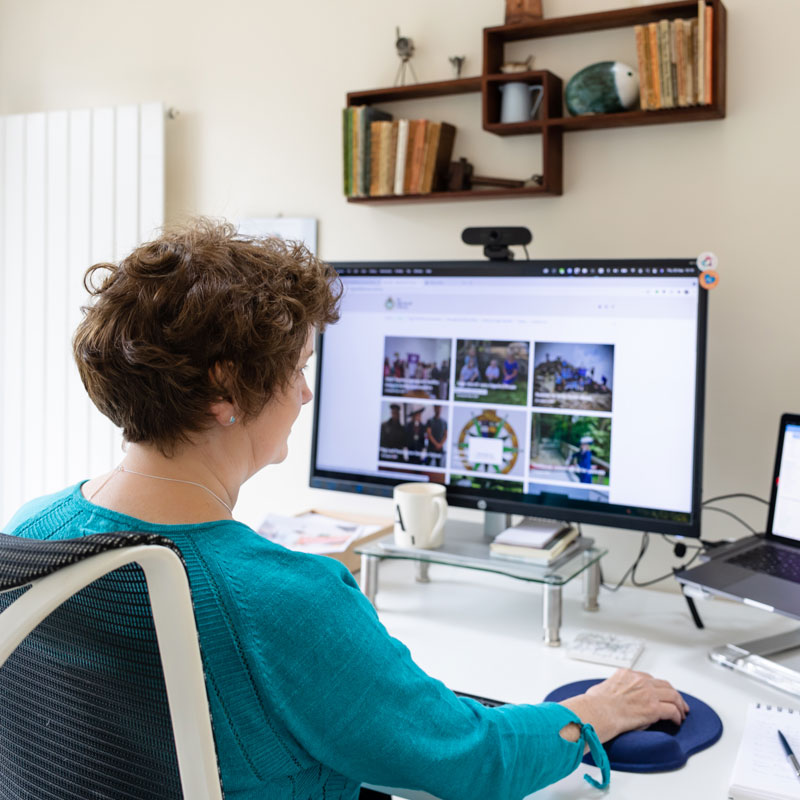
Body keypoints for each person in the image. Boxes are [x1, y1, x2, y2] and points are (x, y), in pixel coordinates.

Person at [4, 219, 688, 800]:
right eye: (298, 368)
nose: (305, 395)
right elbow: (471, 759)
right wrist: (599, 710)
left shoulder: (29, 534)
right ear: (226, 391)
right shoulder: (284, 600)